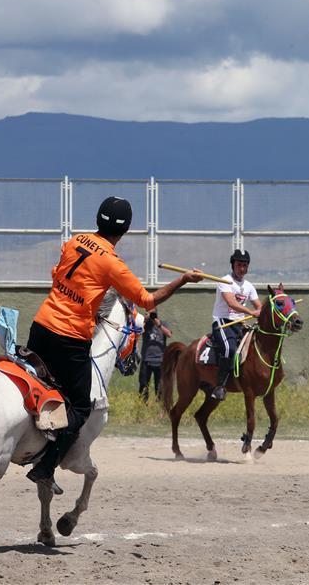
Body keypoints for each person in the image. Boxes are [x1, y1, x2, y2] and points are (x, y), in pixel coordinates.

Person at [26, 196, 203, 493]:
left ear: (98, 219)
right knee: (82, 405)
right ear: (125, 230)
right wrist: (183, 279)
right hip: (69, 338)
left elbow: (56, 274)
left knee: (43, 385)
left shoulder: (75, 240)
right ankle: (46, 466)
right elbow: (147, 301)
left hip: (41, 325)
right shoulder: (112, 263)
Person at [211, 249, 261, 401]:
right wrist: (250, 312)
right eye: (239, 265)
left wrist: (263, 310)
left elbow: (259, 305)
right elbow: (231, 302)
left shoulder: (249, 286)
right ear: (233, 265)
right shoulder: (224, 281)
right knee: (229, 349)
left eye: (245, 265)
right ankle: (219, 387)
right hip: (223, 322)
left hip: (240, 324)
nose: (242, 268)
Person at [138, 309, 172, 402]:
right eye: (149, 312)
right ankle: (142, 405)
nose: (152, 315)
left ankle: (159, 407)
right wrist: (145, 320)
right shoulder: (145, 324)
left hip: (160, 360)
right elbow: (138, 332)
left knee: (160, 386)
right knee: (143, 384)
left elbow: (169, 334)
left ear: (156, 313)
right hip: (146, 359)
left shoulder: (163, 323)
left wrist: (159, 324)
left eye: (153, 313)